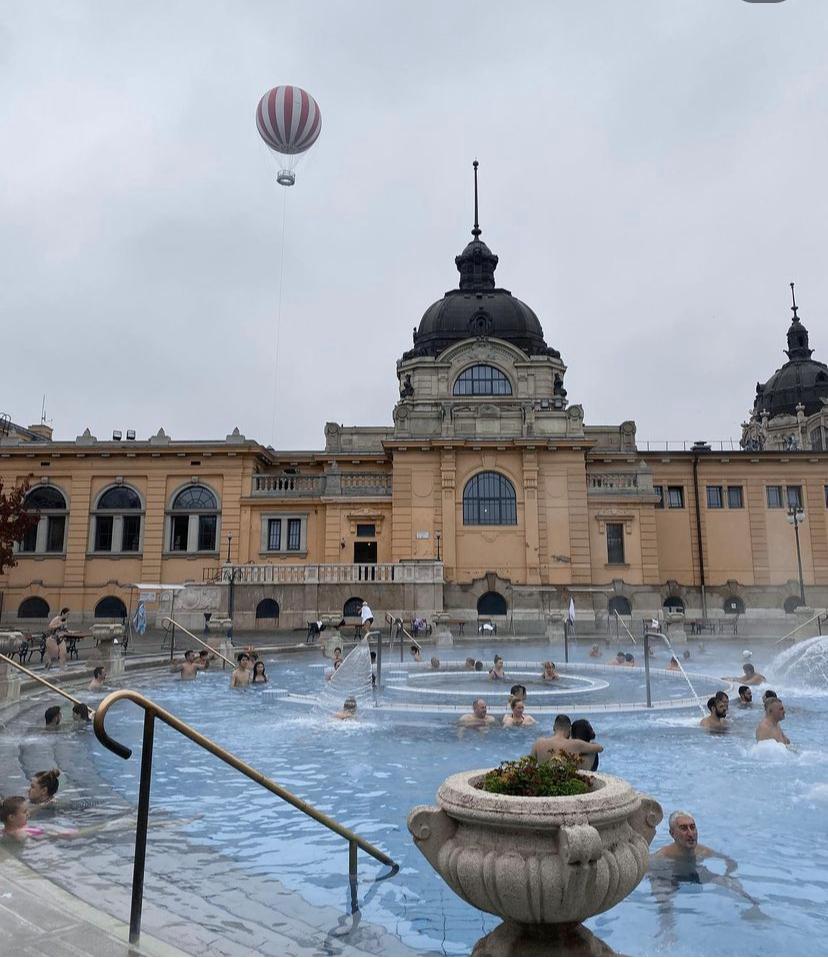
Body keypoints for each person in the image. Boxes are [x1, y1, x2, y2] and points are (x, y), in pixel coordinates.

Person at [531, 714, 604, 764]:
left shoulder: (538, 743)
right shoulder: (576, 744)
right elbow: (600, 748)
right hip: (566, 782)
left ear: (553, 728)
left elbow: (528, 764)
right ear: (570, 730)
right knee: (593, 752)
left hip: (543, 783)